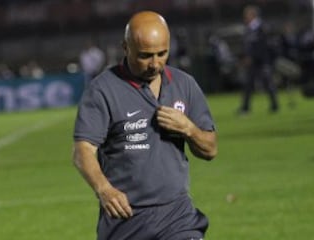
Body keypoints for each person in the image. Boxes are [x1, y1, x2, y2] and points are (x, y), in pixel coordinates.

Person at [72, 11, 217, 240]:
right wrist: (104, 190)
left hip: (177, 218)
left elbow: (210, 149)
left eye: (162, 54)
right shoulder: (103, 90)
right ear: (125, 47)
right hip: (126, 221)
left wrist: (188, 128)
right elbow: (83, 151)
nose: (155, 63)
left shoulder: (184, 85)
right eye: (145, 56)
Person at [236, 5, 279, 115]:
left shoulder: (262, 28)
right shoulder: (248, 29)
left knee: (268, 83)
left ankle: (274, 105)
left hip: (261, 61)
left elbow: (263, 46)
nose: (245, 17)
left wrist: (253, 57)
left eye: (247, 14)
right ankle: (245, 107)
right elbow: (246, 46)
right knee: (248, 85)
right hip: (252, 62)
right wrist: (244, 57)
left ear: (253, 15)